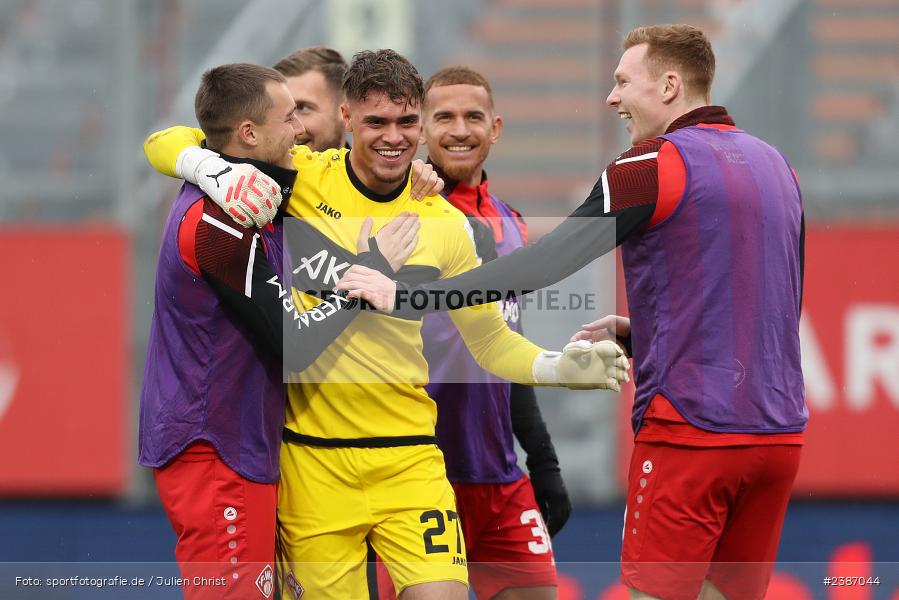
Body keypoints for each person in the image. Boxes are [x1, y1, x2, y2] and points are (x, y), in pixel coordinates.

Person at [339, 25, 807, 600]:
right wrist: (648, 335)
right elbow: (776, 300)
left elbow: (546, 264)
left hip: (691, 433)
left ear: (668, 85)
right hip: (780, 437)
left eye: (622, 82)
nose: (611, 98)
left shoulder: (646, 165)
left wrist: (408, 295)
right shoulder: (778, 166)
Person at [143, 50, 629, 600]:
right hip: (311, 463)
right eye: (375, 122)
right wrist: (209, 168)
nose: (392, 137)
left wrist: (557, 365)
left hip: (410, 459)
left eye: (405, 122)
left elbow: (491, 343)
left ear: (421, 124)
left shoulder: (449, 227)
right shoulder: (296, 180)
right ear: (345, 118)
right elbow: (170, 140)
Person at [138, 63, 412, 599]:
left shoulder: (254, 202)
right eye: (289, 117)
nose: (300, 130)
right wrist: (365, 279)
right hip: (213, 447)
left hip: (237, 446)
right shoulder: (220, 223)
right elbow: (292, 343)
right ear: (248, 133)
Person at [377, 66, 566, 600]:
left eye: (473, 117)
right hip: (417, 474)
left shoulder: (513, 223)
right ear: (420, 129)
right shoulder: (397, 213)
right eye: (444, 117)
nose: (460, 129)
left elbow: (508, 350)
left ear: (496, 127)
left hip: (499, 479)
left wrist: (543, 462)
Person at [272, 46, 349, 152]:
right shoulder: (245, 167)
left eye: (303, 108)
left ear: (346, 113)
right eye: (278, 110)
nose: (291, 128)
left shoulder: (376, 167)